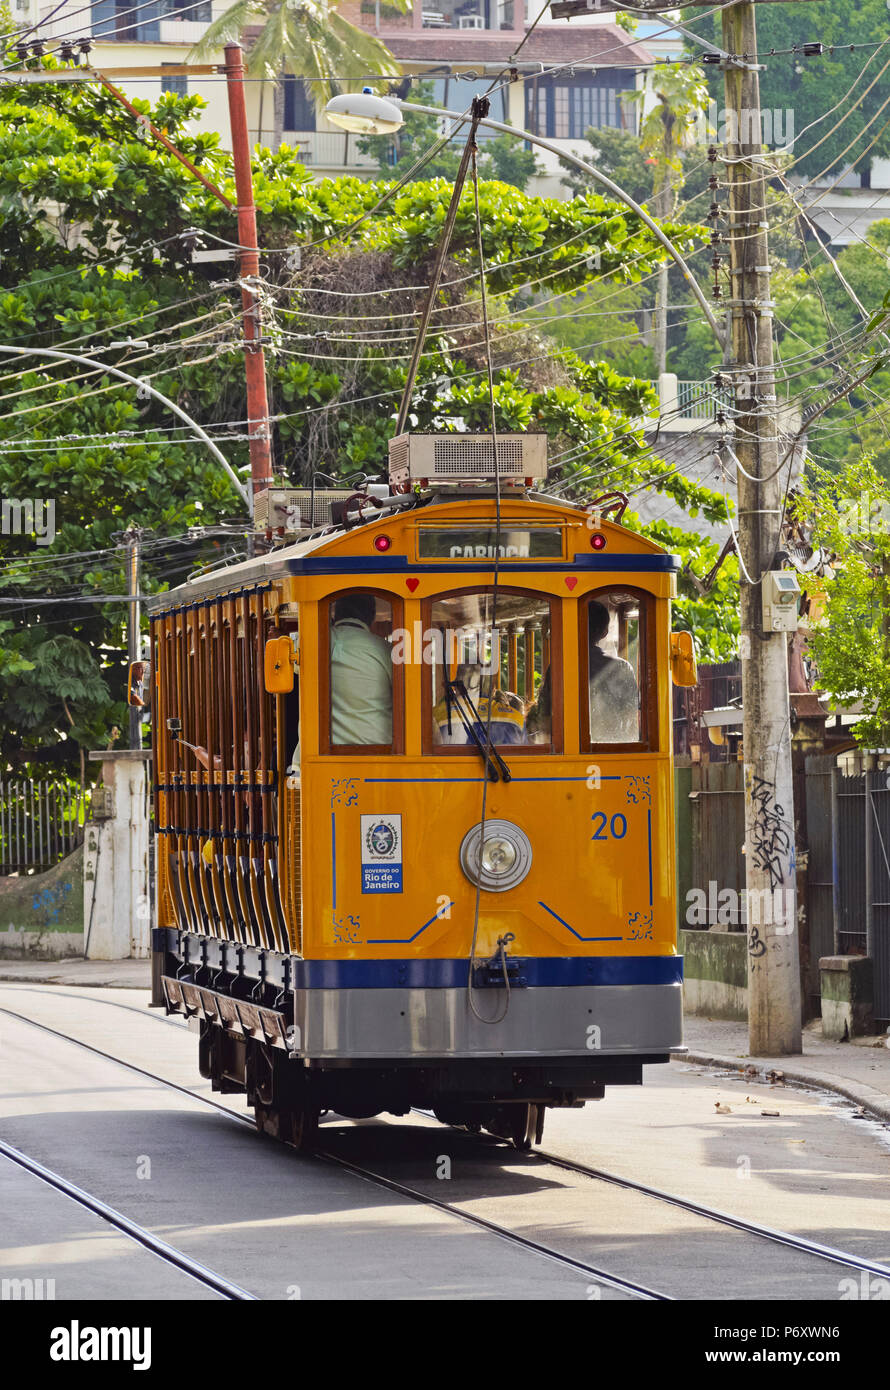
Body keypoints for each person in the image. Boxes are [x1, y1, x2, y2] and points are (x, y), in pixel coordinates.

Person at [330, 593, 393, 745]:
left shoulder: (313, 642)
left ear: (335, 614)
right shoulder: (387, 650)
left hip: (320, 757)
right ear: (371, 617)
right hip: (378, 752)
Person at [587, 600, 639, 743]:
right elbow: (631, 718)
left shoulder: (557, 668)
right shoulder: (622, 668)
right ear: (605, 632)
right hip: (613, 750)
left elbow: (545, 717)